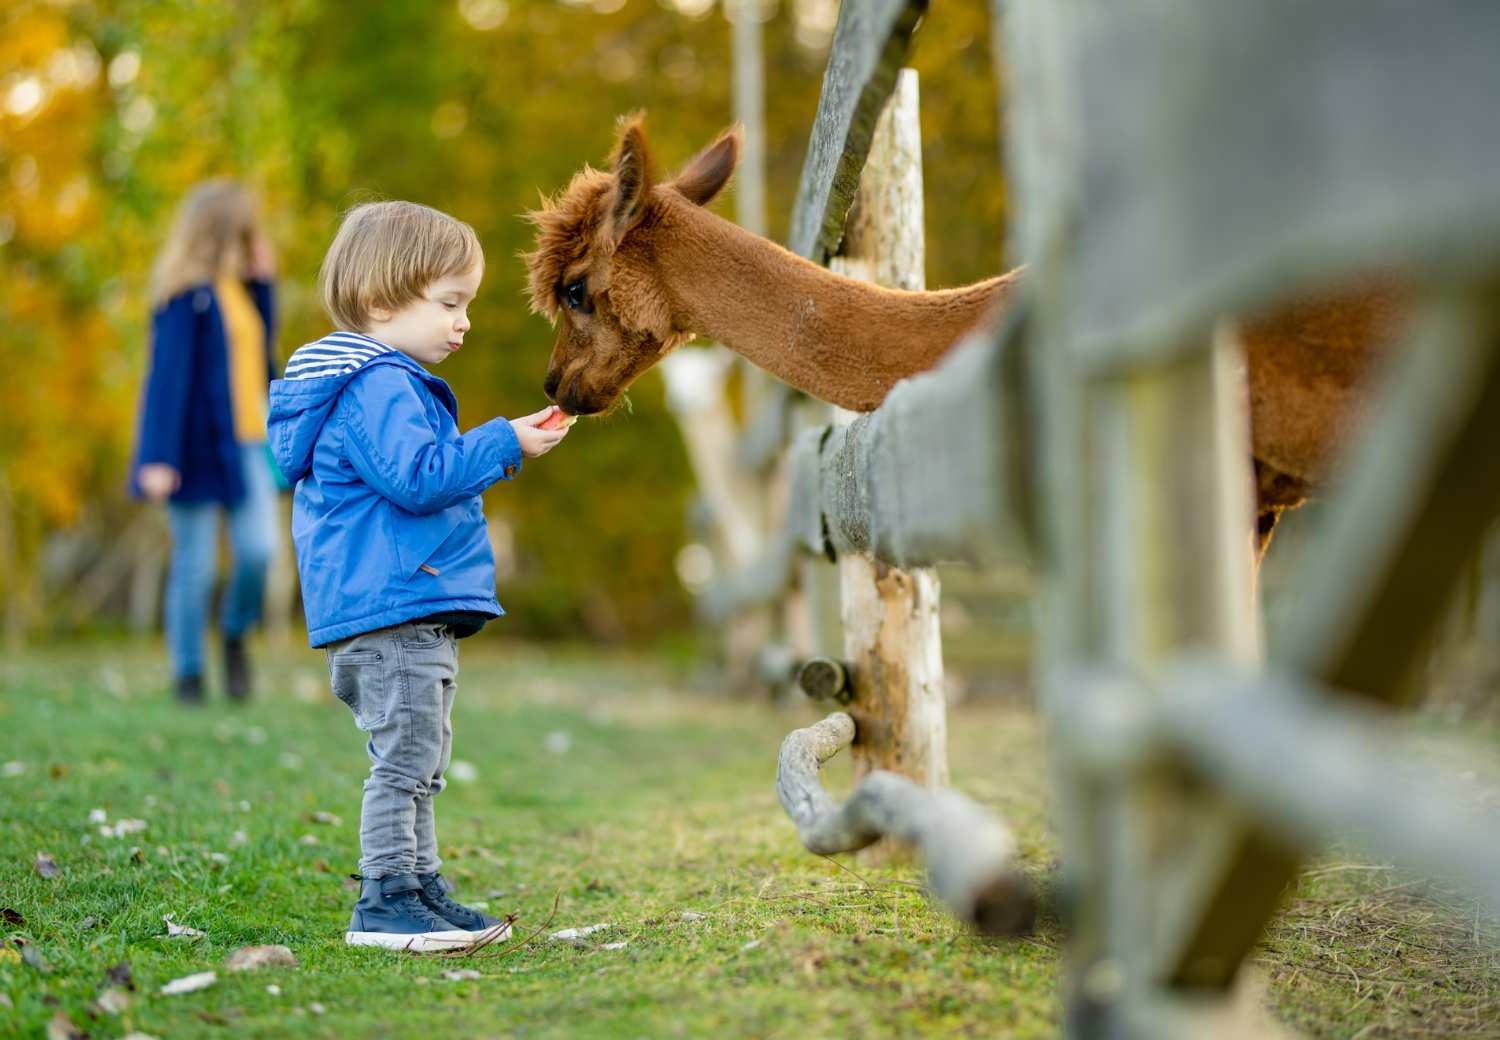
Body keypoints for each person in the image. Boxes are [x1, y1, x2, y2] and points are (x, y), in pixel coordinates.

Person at [266, 201, 570, 951]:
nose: (463, 322)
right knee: (404, 759)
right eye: (449, 303)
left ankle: (420, 886)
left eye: (466, 303)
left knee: (421, 757)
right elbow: (417, 477)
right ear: (380, 302)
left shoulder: (385, 382)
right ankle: (384, 898)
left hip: (402, 604)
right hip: (390, 608)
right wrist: (503, 442)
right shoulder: (377, 387)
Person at [130, 179, 282, 705]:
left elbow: (263, 362)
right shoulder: (184, 296)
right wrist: (157, 457)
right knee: (192, 566)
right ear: (223, 230)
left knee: (259, 551)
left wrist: (265, 285)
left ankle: (235, 633)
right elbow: (165, 381)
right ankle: (188, 675)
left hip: (249, 444)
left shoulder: (242, 292)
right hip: (192, 449)